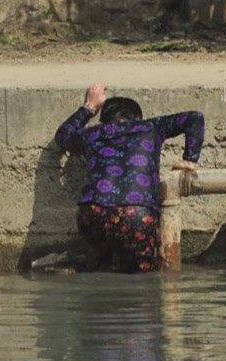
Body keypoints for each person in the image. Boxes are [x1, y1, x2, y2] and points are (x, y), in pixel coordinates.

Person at [55, 84, 205, 273]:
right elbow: (194, 117)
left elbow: (63, 135)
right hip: (136, 216)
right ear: (137, 117)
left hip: (92, 214)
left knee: (105, 264)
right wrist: (190, 159)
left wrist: (89, 107)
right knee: (142, 275)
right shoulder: (150, 127)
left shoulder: (92, 133)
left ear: (104, 119)